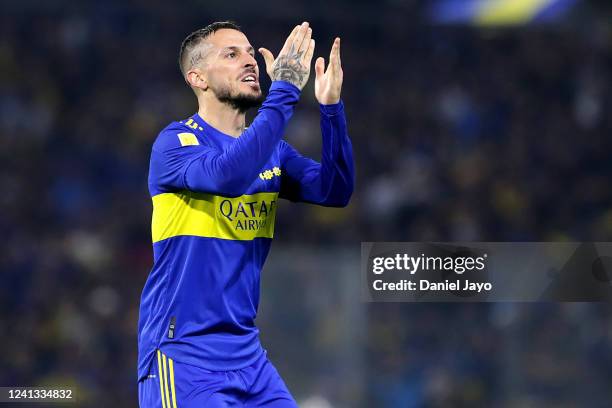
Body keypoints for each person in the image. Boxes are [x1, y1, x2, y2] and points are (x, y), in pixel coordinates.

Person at [137, 20, 354, 407]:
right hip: (184, 355)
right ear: (197, 77)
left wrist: (331, 110)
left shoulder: (273, 151)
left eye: (251, 53)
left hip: (248, 357)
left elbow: (334, 191)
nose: (249, 61)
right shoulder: (175, 144)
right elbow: (228, 175)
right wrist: (285, 88)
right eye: (231, 54)